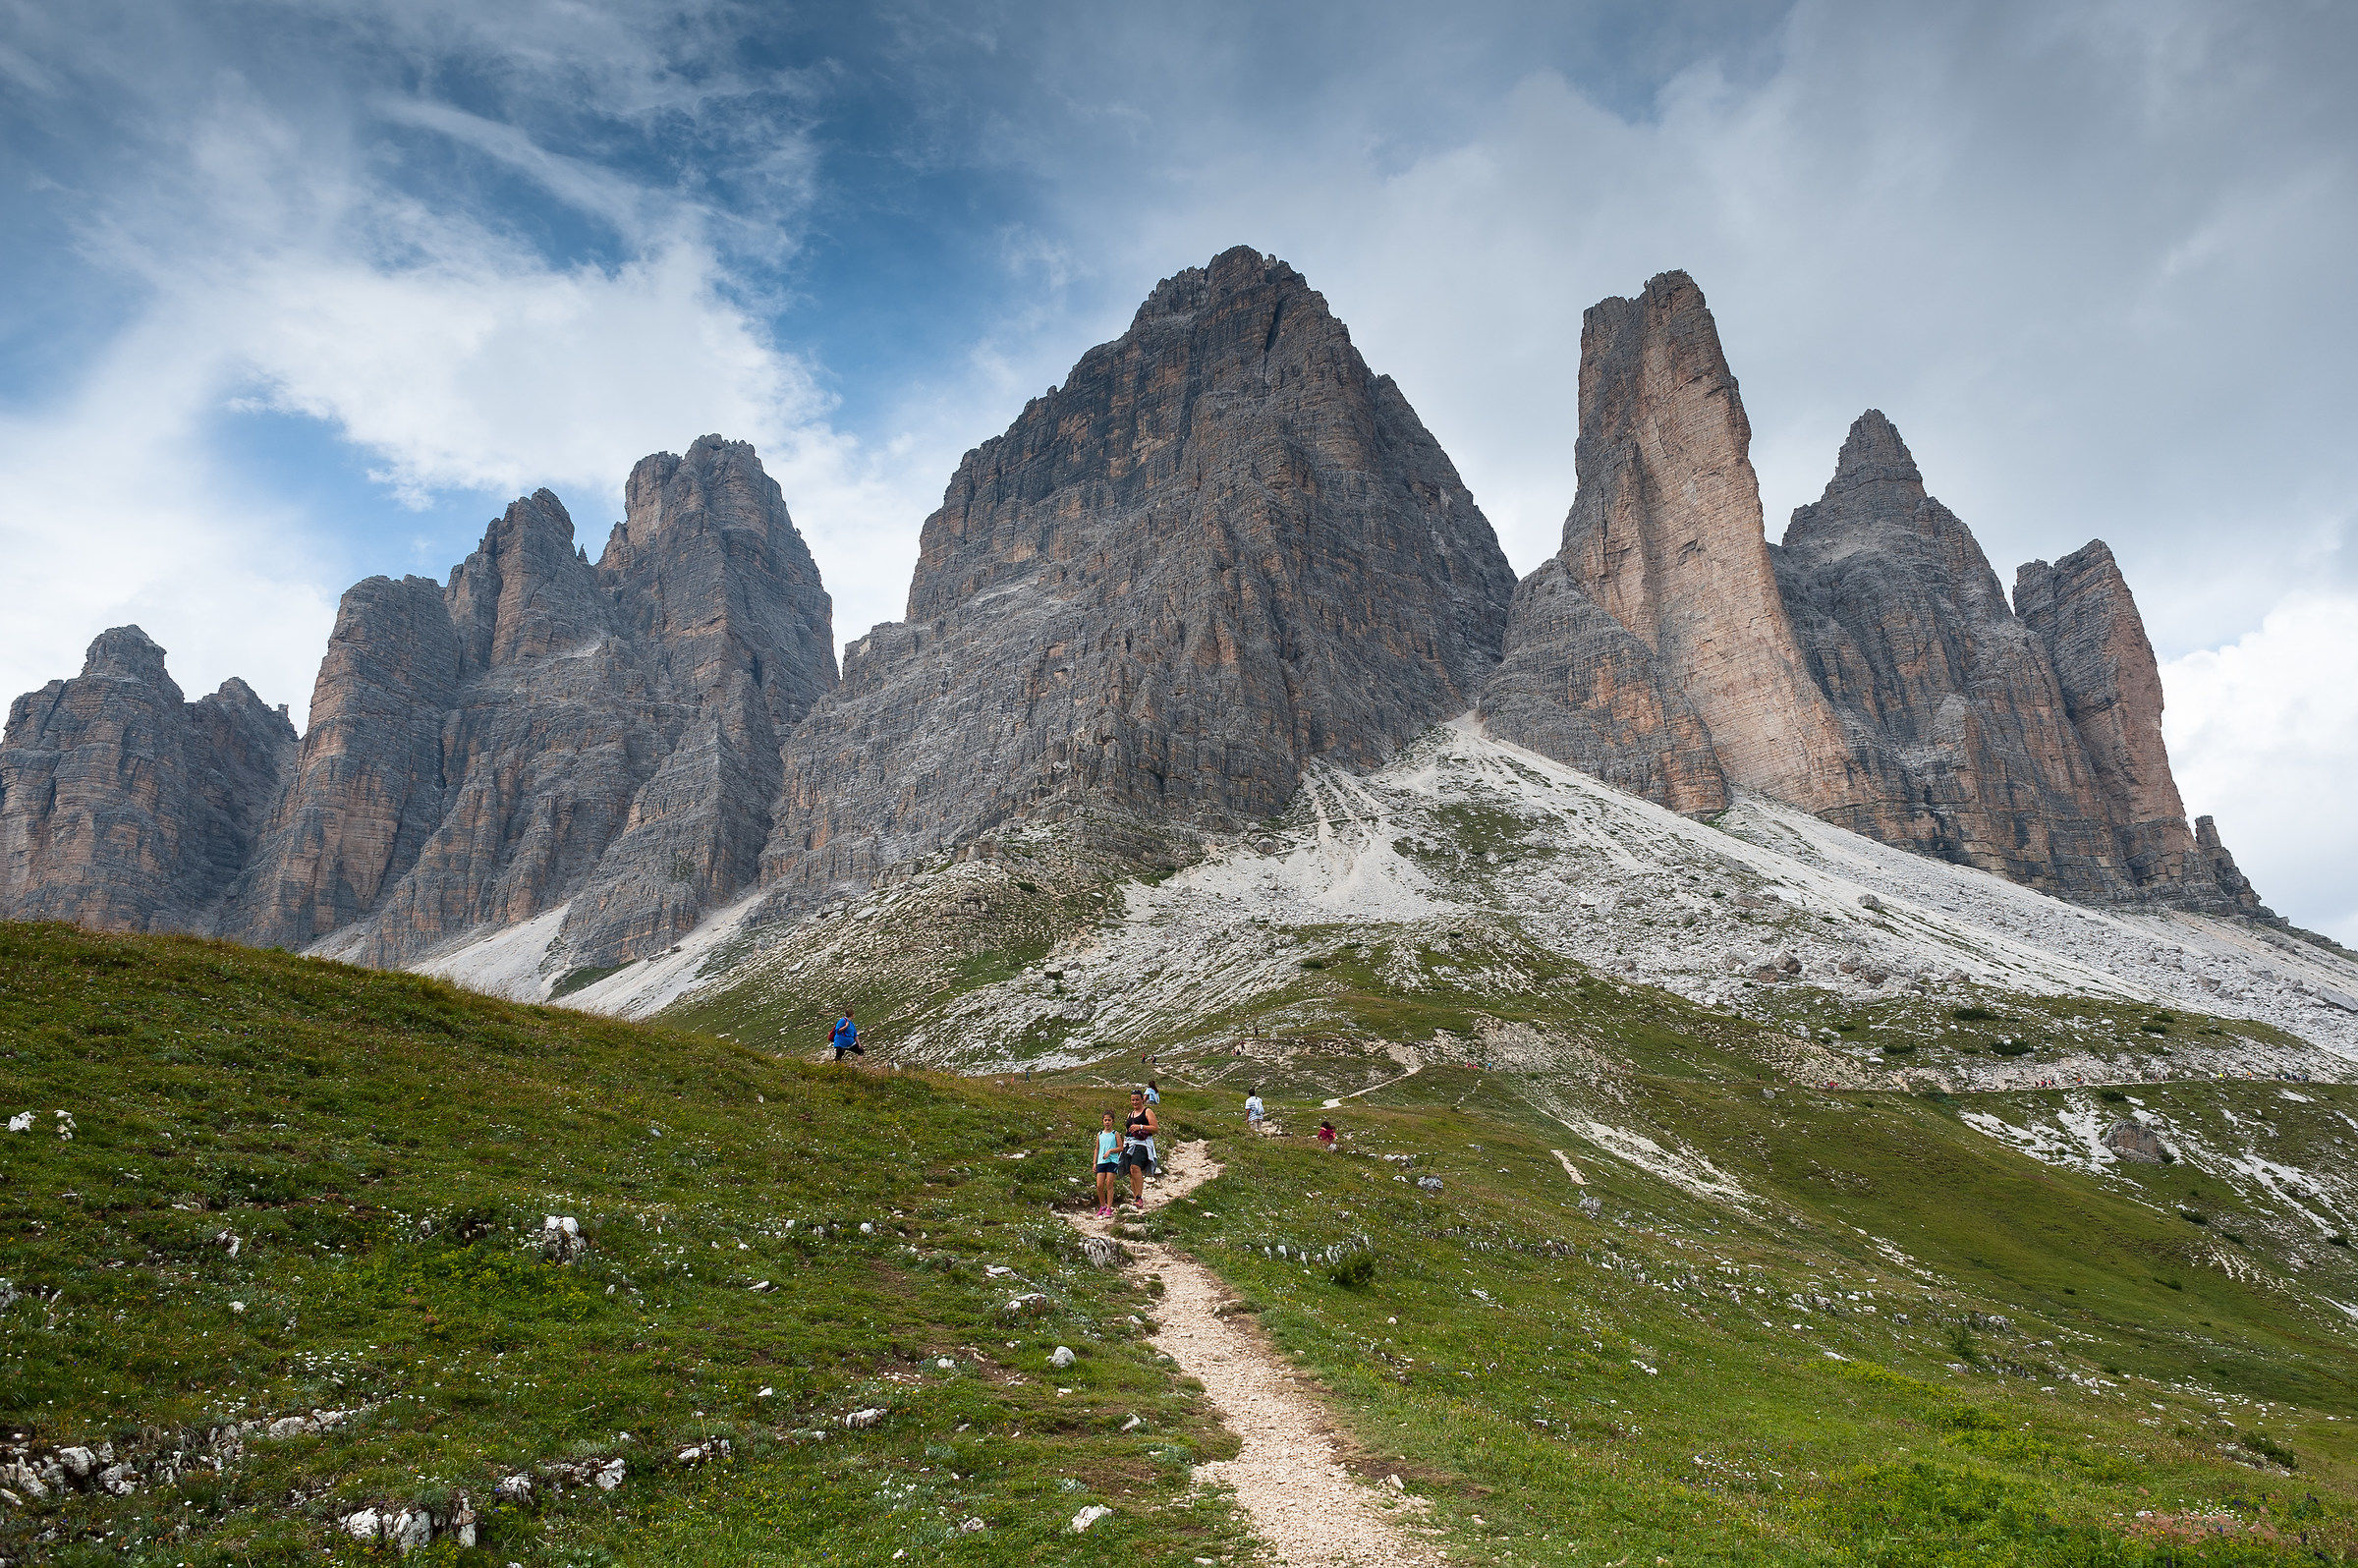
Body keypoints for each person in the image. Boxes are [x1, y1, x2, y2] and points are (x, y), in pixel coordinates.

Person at [1121, 1090, 1158, 1210]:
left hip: (1143, 1144)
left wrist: (1140, 1126)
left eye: (1137, 1099)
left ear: (1142, 1099)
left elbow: (1155, 1128)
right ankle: (1135, 1197)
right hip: (1129, 1144)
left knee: (1135, 1167)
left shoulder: (1147, 1111)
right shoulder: (1130, 1114)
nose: (1135, 1102)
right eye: (1132, 1100)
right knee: (1130, 1171)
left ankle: (1139, 1196)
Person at [1094, 1111, 1121, 1217]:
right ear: (1103, 1121)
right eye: (1105, 1120)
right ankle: (1102, 1206)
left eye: (1109, 1120)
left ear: (1113, 1121)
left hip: (1112, 1161)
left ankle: (1109, 1208)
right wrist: (1094, 1162)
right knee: (1099, 1185)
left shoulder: (1115, 1134)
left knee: (1109, 1184)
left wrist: (1110, 1151)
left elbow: (1121, 1147)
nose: (1107, 1122)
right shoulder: (1100, 1134)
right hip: (1101, 1162)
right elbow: (1097, 1148)